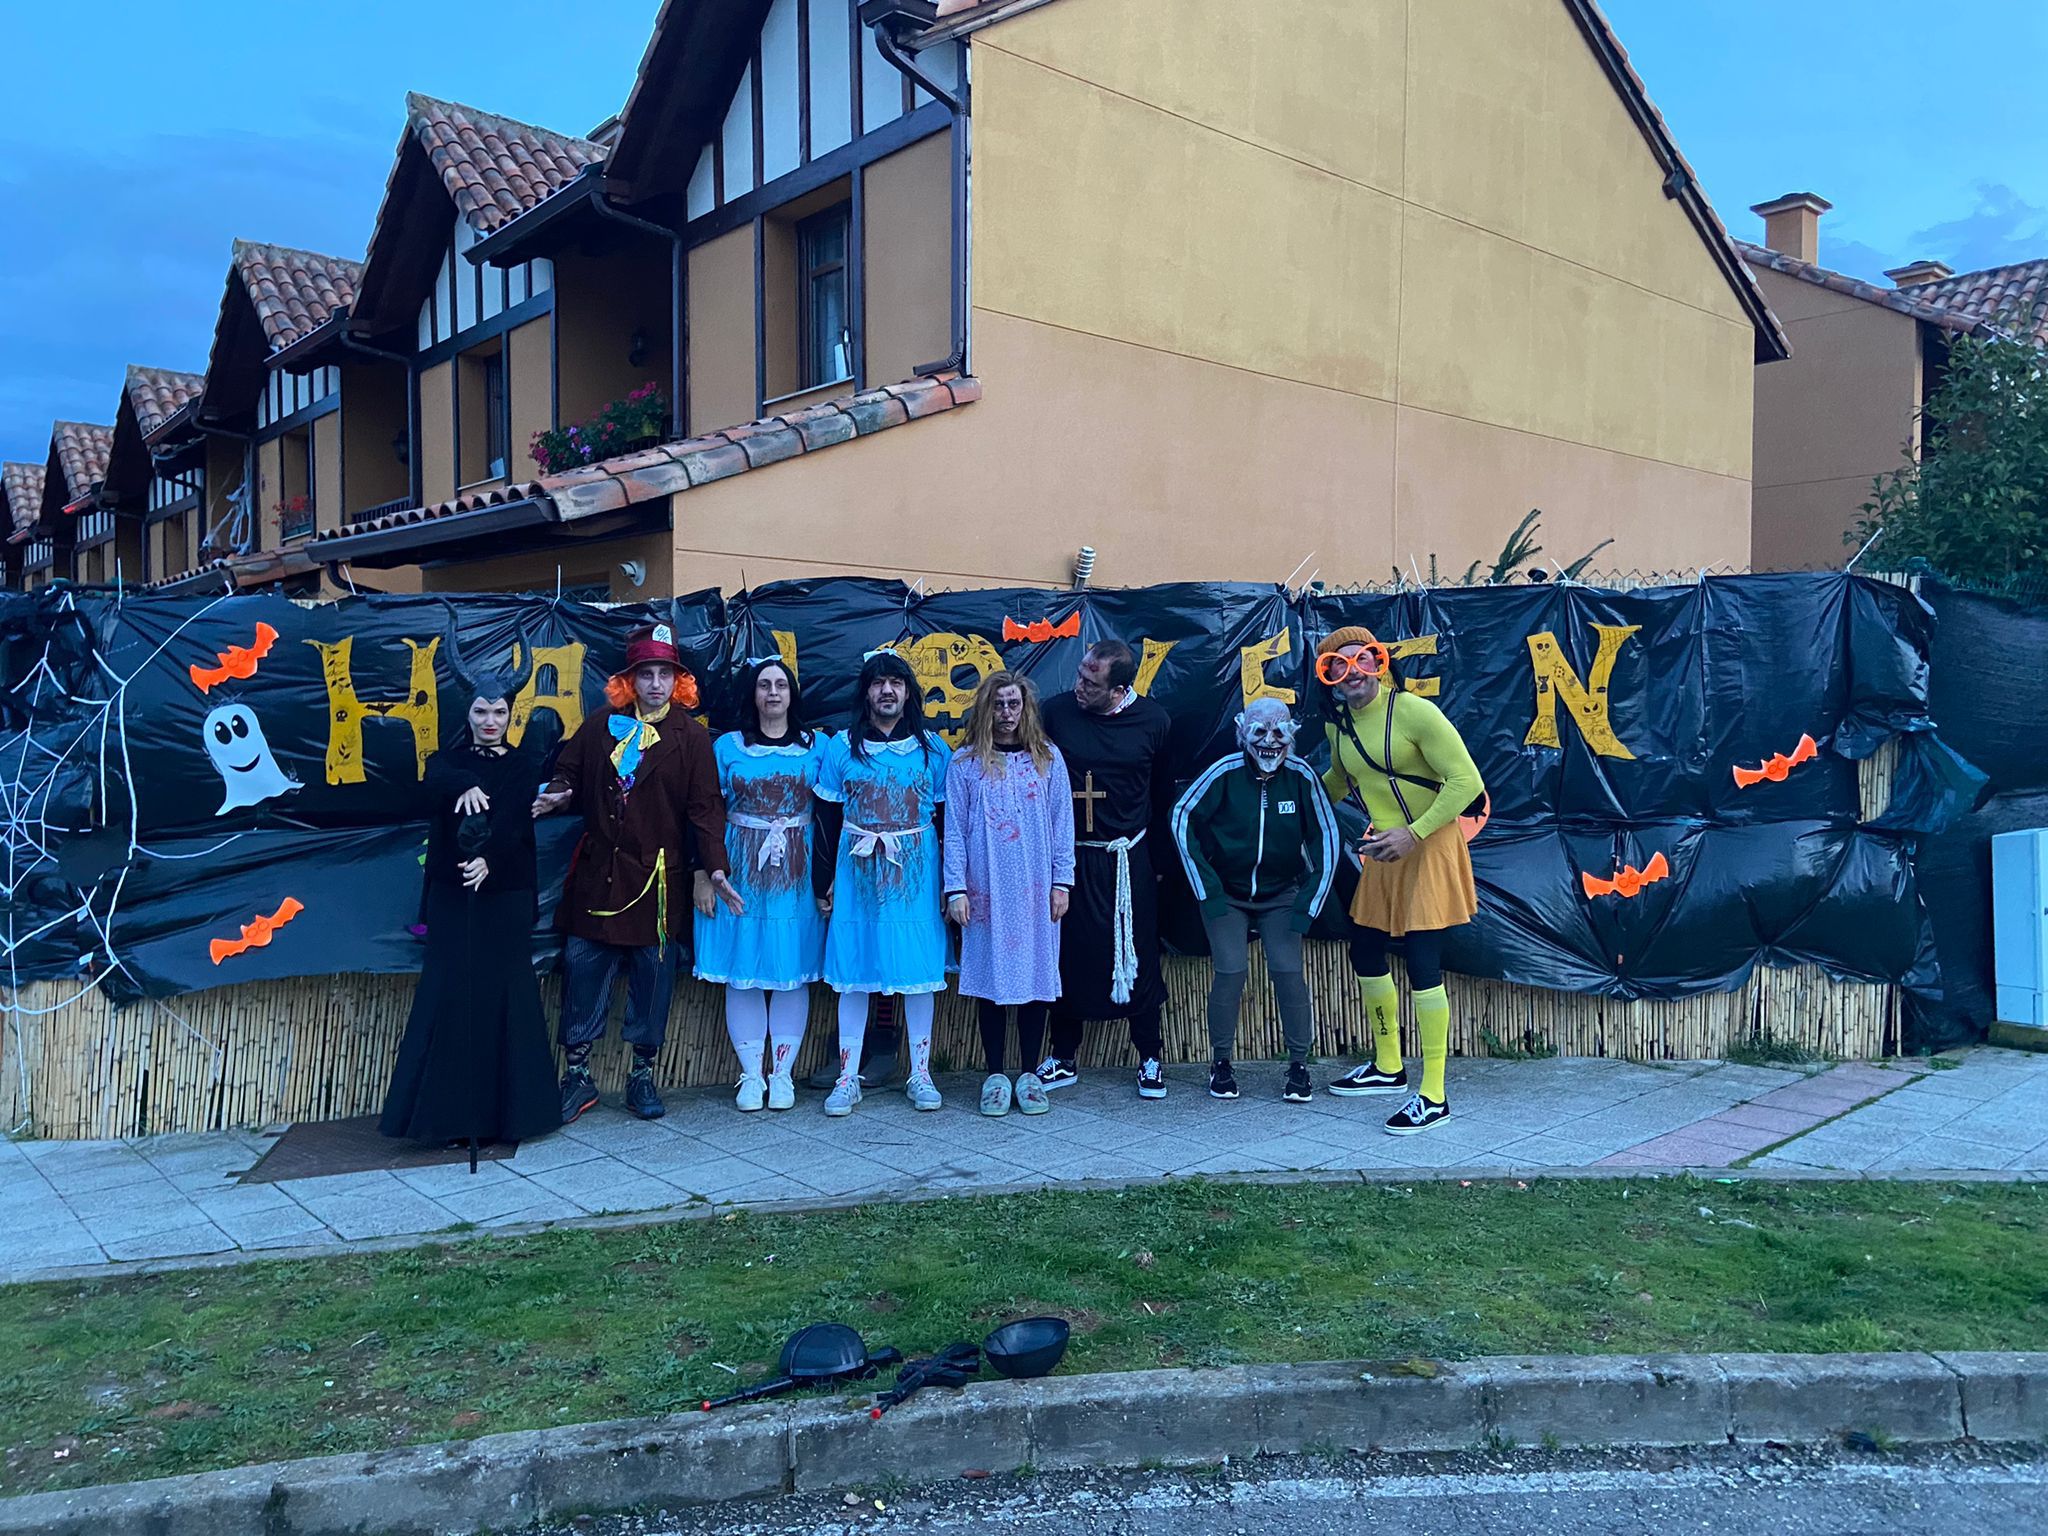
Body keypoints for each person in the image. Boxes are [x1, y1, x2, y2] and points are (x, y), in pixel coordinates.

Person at [534, 623, 740, 1124]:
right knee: (584, 971)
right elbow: (569, 770)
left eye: (663, 674)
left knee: (653, 978)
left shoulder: (691, 738)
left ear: (678, 682)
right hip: (599, 875)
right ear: (630, 681)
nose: (654, 684)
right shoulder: (602, 724)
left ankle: (642, 1076)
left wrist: (713, 867)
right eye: (645, 674)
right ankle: (577, 1075)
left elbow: (706, 809)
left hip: (658, 882)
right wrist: (560, 790)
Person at [379, 629, 559, 1169]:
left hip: (503, 895)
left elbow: (512, 819)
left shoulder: (525, 763)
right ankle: (450, 1118)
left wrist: (492, 861)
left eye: (498, 712)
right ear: (469, 712)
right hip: (454, 898)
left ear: (509, 715)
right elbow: (434, 778)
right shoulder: (444, 763)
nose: (489, 720)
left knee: (507, 994)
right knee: (452, 996)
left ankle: (513, 1115)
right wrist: (461, 782)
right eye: (481, 711)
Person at [1315, 625, 1484, 1134]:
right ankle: (1389, 1067)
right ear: (1327, 678)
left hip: (1427, 845)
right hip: (1386, 851)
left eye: (1363, 660)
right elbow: (1341, 781)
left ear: (1380, 662)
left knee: (1422, 961)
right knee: (1364, 950)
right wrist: (1289, 791)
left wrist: (1415, 833)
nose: (1354, 674)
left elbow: (1466, 782)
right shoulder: (1337, 726)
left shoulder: (1415, 711)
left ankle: (1433, 1094)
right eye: (1337, 667)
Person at [1170, 697, 1340, 1102]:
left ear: (1292, 736)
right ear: (1242, 732)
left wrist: (1308, 905)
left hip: (1281, 894)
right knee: (1230, 970)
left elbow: (1327, 838)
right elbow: (1182, 818)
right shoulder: (1224, 773)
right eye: (1259, 731)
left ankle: (1299, 1065)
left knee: (1287, 971)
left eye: (1279, 732)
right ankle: (1221, 1062)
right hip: (1227, 893)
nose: (1269, 742)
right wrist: (1207, 891)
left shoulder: (1301, 777)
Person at [812, 649, 953, 1115]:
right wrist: (824, 879)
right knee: (853, 975)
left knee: (917, 976)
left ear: (908, 691)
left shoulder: (933, 751)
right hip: (856, 877)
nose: (886, 690)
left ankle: (921, 1073)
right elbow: (827, 818)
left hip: (915, 876)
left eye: (895, 681)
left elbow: (949, 820)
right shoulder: (839, 749)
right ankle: (848, 1076)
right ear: (866, 692)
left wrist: (949, 885)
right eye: (877, 682)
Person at [1038, 639, 1175, 1098]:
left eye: (1091, 684)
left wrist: (1157, 861)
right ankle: (1063, 1056)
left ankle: (1151, 1057)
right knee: (1068, 954)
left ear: (1119, 690)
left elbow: (1162, 796)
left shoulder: (1154, 721)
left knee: (1136, 954)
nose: (1079, 687)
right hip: (1071, 856)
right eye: (1078, 676)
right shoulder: (1054, 714)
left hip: (1127, 857)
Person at [693, 656, 827, 1112]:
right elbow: (705, 811)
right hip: (738, 873)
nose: (773, 693)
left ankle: (783, 1074)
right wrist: (704, 873)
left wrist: (828, 880)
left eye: (781, 685)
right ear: (753, 694)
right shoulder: (728, 747)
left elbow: (831, 814)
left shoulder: (818, 746)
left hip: (796, 873)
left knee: (790, 973)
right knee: (743, 971)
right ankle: (751, 1076)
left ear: (792, 694)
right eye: (764, 685)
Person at [943, 673, 1075, 1117]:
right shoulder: (965, 764)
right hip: (986, 891)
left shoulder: (1047, 759)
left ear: (1026, 708)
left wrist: (1062, 883)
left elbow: (1062, 826)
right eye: (997, 705)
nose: (1005, 714)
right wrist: (956, 888)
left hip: (1036, 889)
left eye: (1013, 704)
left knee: (1036, 980)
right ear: (985, 709)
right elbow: (955, 832)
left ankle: (1030, 1073)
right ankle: (996, 1074)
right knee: (992, 982)